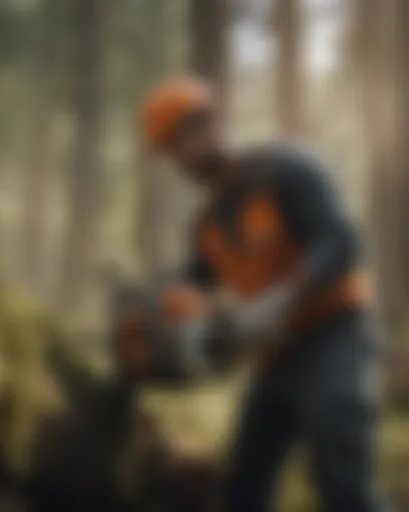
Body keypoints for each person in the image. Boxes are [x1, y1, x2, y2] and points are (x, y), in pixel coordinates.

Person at [139, 77, 387, 512]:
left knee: (340, 475)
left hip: (335, 332)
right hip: (276, 357)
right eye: (170, 151)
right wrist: (160, 309)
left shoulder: (285, 170)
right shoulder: (209, 224)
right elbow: (194, 281)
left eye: (181, 141)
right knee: (244, 487)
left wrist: (283, 298)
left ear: (209, 125)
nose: (179, 159)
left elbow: (341, 241)